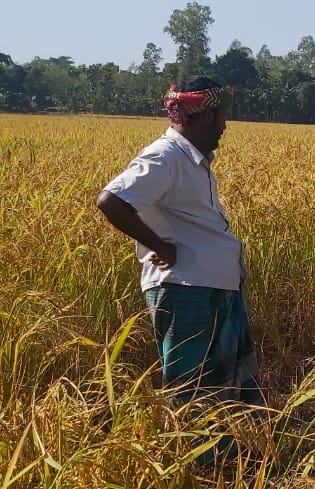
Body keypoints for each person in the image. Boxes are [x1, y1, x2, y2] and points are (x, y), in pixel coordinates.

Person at [95, 76, 263, 417]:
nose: (225, 126)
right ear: (206, 115)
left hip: (213, 287)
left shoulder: (192, 159)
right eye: (222, 116)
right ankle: (196, 450)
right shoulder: (165, 156)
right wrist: (160, 247)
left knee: (225, 392)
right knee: (192, 395)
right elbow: (111, 201)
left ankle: (231, 448)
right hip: (187, 292)